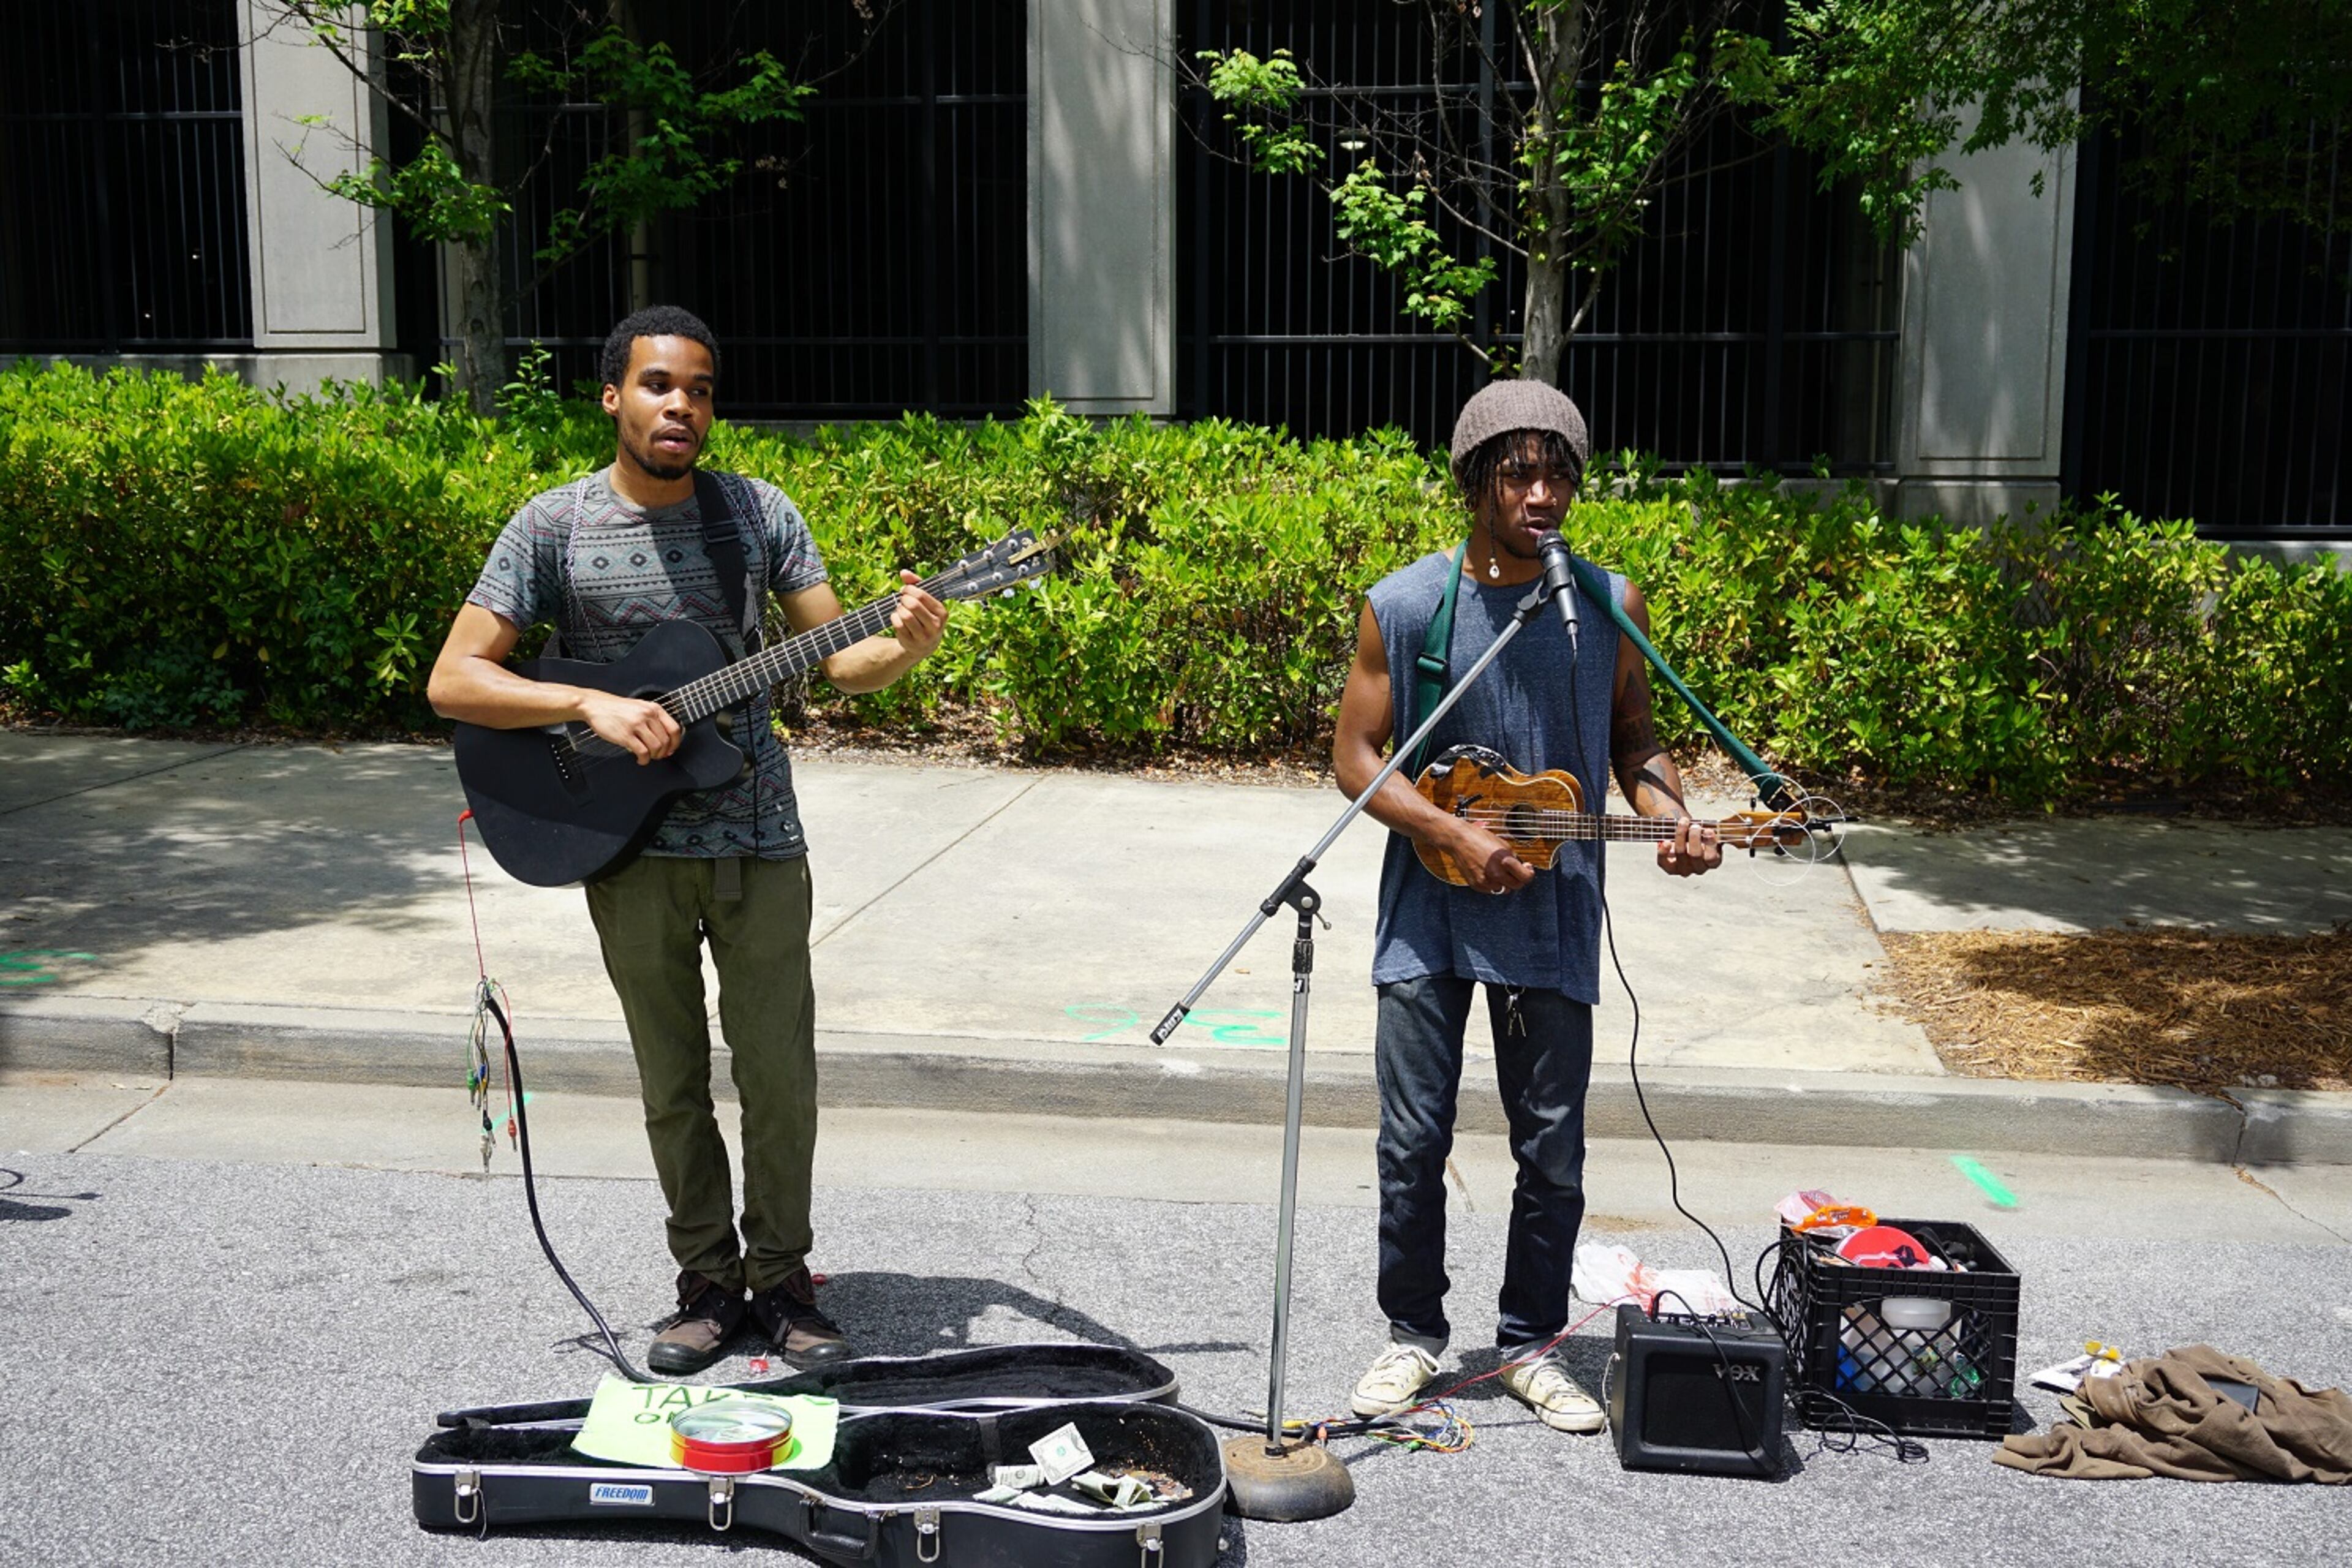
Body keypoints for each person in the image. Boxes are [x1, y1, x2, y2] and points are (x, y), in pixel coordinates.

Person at [426, 306, 948, 1374]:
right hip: (625, 846)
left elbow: (834, 660)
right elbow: (456, 679)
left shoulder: (754, 516)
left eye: (701, 390)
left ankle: (785, 1281)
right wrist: (589, 705)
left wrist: (902, 650)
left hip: (758, 838)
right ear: (614, 396)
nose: (684, 406)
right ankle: (708, 1284)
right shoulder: (553, 527)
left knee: (779, 1075)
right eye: (661, 385)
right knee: (671, 1079)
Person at [1330, 379, 1722, 1432]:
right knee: (1412, 1139)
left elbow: (1636, 743)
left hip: (1555, 908)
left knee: (1551, 1146)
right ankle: (1413, 1334)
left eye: (1559, 475)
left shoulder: (1607, 602)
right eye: (1520, 473)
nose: (1542, 494)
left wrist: (1673, 812)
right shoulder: (1408, 602)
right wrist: (1452, 832)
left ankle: (1528, 1344)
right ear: (1475, 482)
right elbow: (1355, 757)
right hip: (1430, 906)